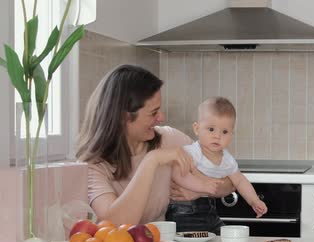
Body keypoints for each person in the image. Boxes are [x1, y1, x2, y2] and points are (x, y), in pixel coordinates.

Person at [76, 64, 234, 226]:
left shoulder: (169, 138)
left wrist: (198, 189)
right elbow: (114, 225)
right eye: (153, 113)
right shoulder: (93, 165)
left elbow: (231, 181)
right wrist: (152, 160)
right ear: (124, 117)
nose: (161, 117)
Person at [166, 97, 268, 234]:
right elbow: (176, 172)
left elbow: (239, 181)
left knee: (224, 240)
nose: (217, 136)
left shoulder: (227, 160)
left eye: (224, 132)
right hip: (184, 213)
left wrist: (254, 200)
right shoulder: (192, 152)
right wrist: (202, 186)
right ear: (197, 129)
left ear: (232, 134)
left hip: (210, 212)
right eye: (211, 129)